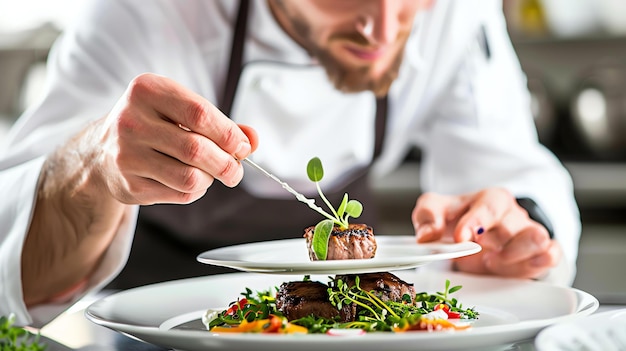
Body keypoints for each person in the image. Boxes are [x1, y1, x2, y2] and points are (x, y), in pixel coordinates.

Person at [0, 0, 580, 328]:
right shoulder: (143, 14)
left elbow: (510, 171)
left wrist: (515, 227)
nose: (381, 28)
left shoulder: (455, 12)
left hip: (359, 327)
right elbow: (15, 269)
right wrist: (91, 169)